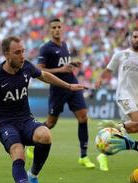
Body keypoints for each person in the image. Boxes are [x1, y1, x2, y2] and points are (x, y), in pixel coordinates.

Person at [0, 36, 87, 183]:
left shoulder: (26, 67)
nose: (22, 56)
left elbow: (44, 75)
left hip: (25, 119)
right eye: (17, 52)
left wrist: (68, 86)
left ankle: (33, 174)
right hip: (6, 124)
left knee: (45, 135)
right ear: (6, 54)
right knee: (18, 152)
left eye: (23, 51)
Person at [95, 27, 138, 171]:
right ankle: (111, 130)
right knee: (137, 121)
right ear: (130, 38)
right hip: (123, 94)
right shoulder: (121, 55)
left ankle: (103, 154)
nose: (137, 39)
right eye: (135, 37)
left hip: (136, 98)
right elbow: (108, 70)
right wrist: (100, 79)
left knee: (129, 130)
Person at [34, 18, 95, 169]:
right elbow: (39, 70)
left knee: (83, 117)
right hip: (57, 89)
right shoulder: (46, 49)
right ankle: (32, 136)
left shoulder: (65, 45)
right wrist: (61, 70)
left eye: (59, 27)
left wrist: (72, 65)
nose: (56, 29)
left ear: (63, 28)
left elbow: (64, 65)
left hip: (73, 85)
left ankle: (84, 155)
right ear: (49, 30)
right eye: (53, 27)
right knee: (51, 123)